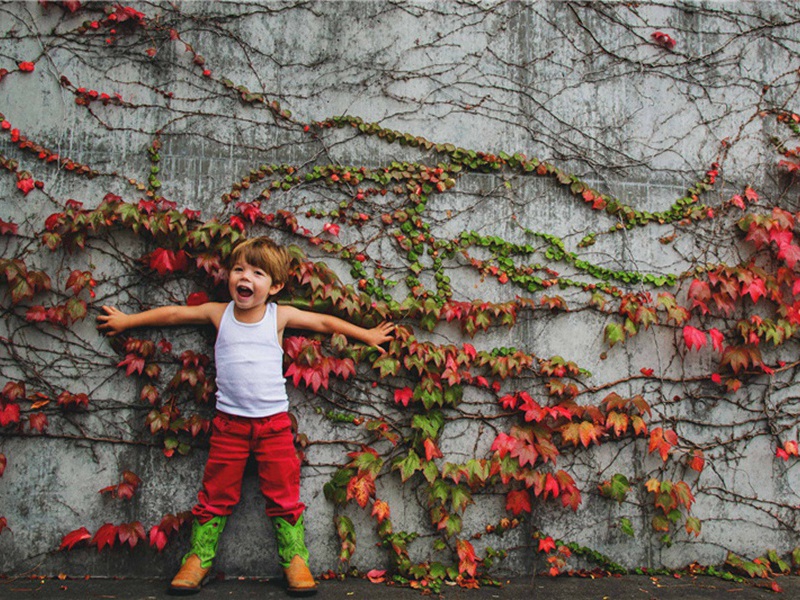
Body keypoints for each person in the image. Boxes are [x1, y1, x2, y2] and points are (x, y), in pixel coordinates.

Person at [97, 236, 394, 595]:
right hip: (229, 425)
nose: (245, 277)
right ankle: (200, 557)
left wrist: (366, 334)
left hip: (274, 427)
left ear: (276, 286)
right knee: (216, 492)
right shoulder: (218, 313)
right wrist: (128, 321)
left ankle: (294, 557)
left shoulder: (278, 316)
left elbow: (324, 323)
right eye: (239, 269)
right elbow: (174, 314)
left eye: (257, 272)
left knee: (284, 491)